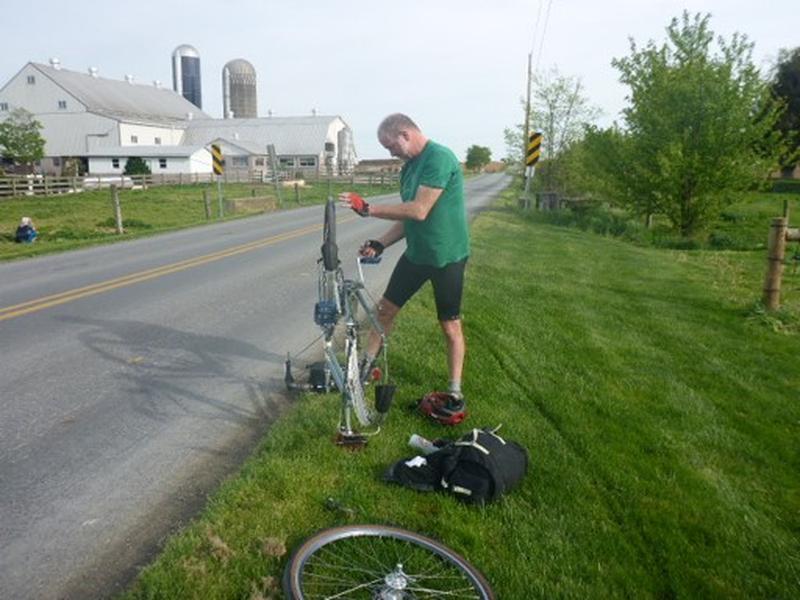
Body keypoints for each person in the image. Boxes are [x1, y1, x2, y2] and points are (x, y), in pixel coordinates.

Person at [340, 113, 469, 403]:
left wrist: (369, 209)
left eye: (391, 146)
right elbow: (409, 219)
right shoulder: (408, 169)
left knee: (450, 325)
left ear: (405, 134)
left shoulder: (440, 158)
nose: (391, 153)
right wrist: (381, 243)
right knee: (384, 311)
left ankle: (455, 389)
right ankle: (365, 368)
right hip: (417, 255)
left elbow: (419, 210)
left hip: (447, 256)